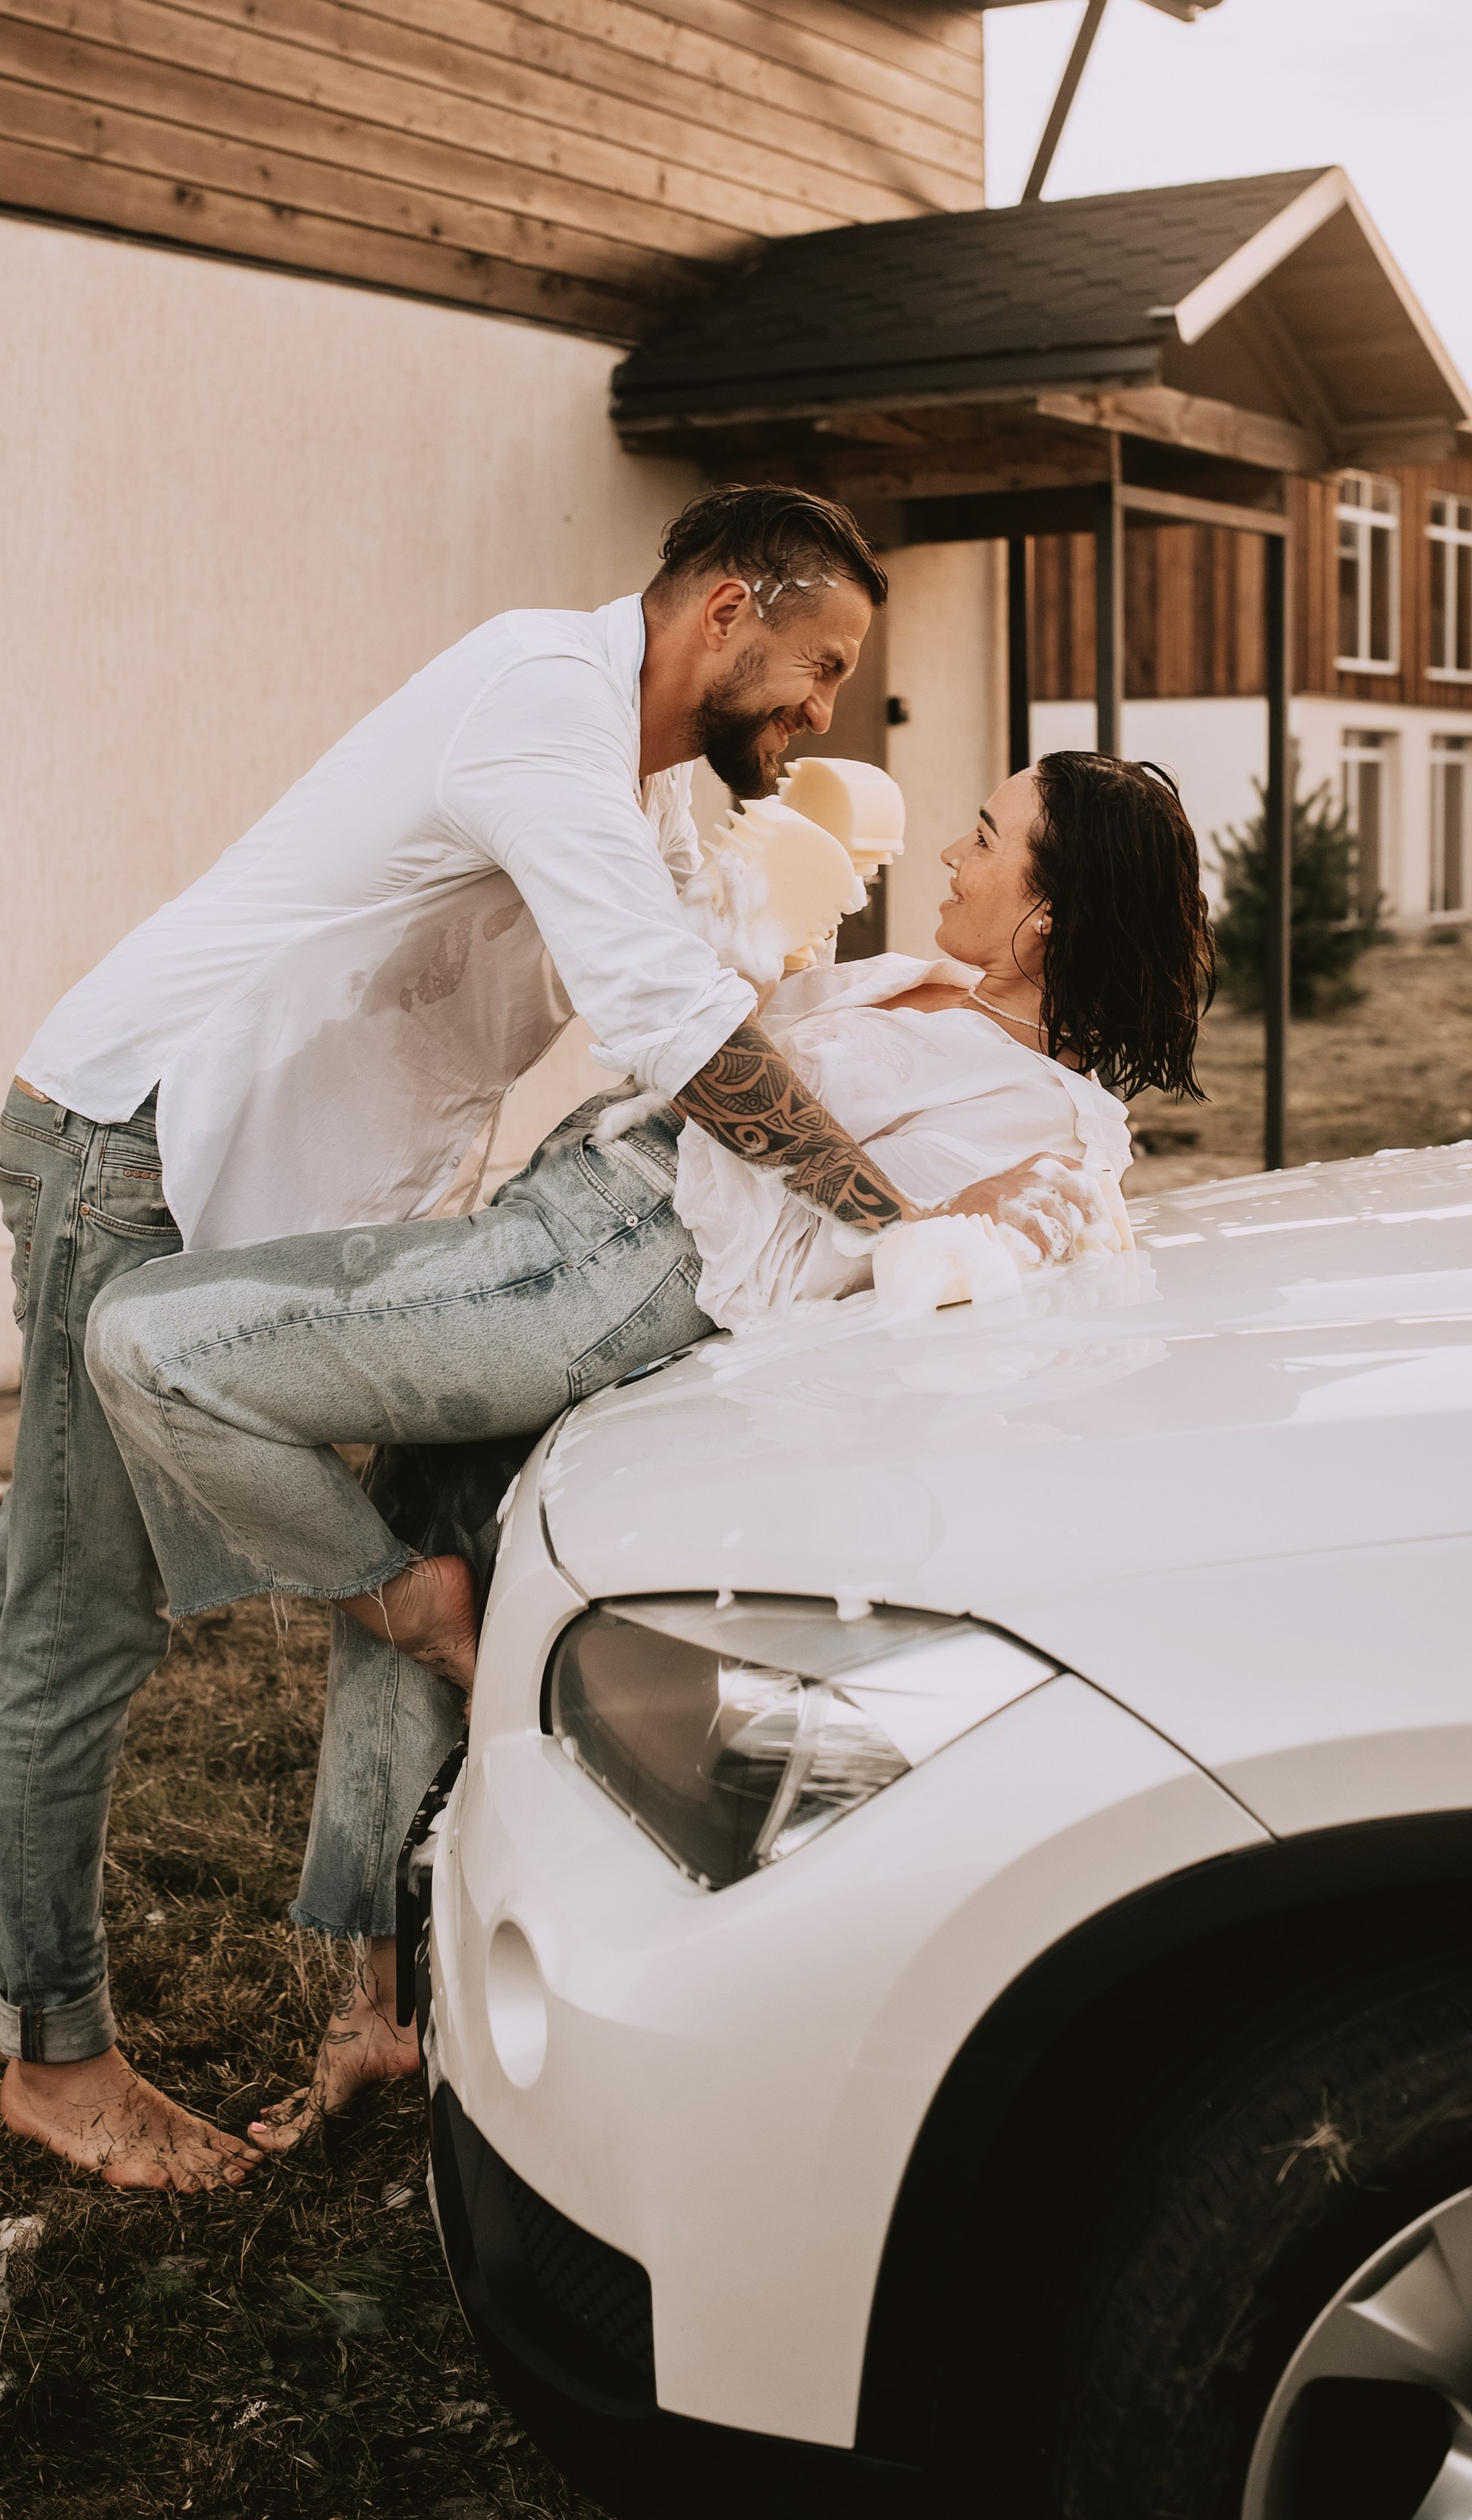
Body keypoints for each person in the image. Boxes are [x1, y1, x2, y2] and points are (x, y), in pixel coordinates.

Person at [0, 483, 1011, 2190]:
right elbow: (675, 1024)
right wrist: (905, 1227)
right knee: (88, 1608)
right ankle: (57, 2055)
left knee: (31, 1559)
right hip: (140, 1133)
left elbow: (710, 973)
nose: (821, 714)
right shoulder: (540, 700)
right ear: (725, 608)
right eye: (814, 669)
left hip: (227, 1158)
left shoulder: (660, 782)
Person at [84, 750, 1214, 2148]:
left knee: (142, 1341)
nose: (951, 857)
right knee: (417, 1507)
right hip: (566, 1206)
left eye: (986, 838)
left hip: (601, 1264)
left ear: (1046, 916)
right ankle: (370, 2011)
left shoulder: (1041, 1113)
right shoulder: (930, 987)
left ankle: (400, 1602)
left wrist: (1014, 1216)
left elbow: (943, 1238)